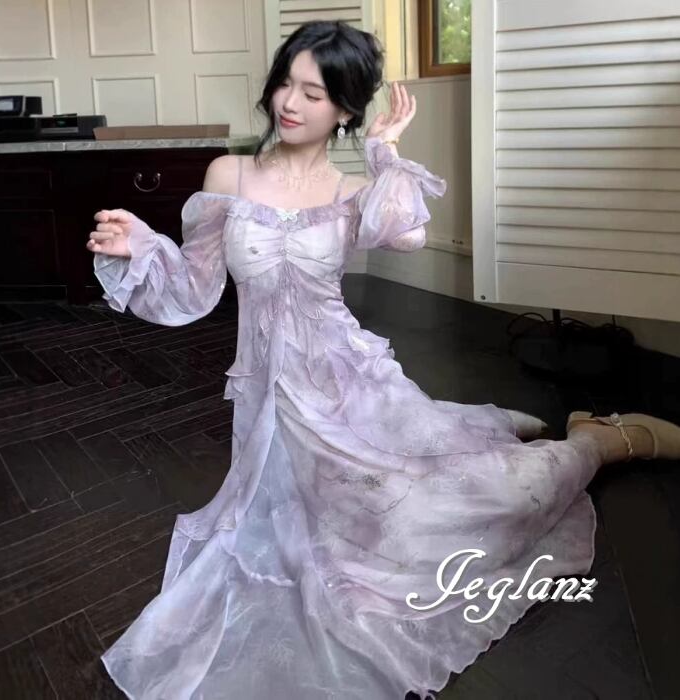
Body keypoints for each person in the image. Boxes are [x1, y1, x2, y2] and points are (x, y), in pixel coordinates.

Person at [86, 20, 680, 700]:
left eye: (314, 93)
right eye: (286, 83)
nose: (290, 103)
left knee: (475, 507)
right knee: (356, 542)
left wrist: (384, 153)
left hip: (353, 390)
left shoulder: (351, 192)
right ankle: (528, 434)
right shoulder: (231, 175)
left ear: (344, 109)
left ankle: (599, 442)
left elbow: (410, 235)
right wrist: (143, 247)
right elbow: (195, 286)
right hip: (273, 409)